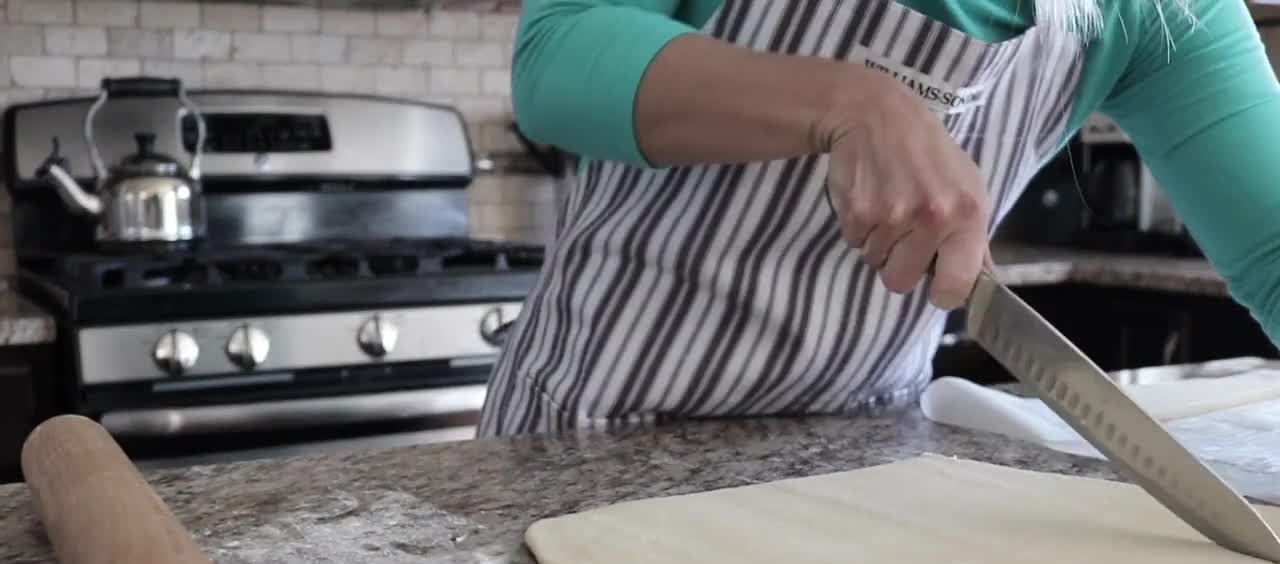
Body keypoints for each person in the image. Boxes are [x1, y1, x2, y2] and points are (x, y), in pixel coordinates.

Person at [478, 0, 1280, 438]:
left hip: (864, 463)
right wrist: (848, 101)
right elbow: (554, 54)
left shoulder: (1165, 12)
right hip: (583, 440)